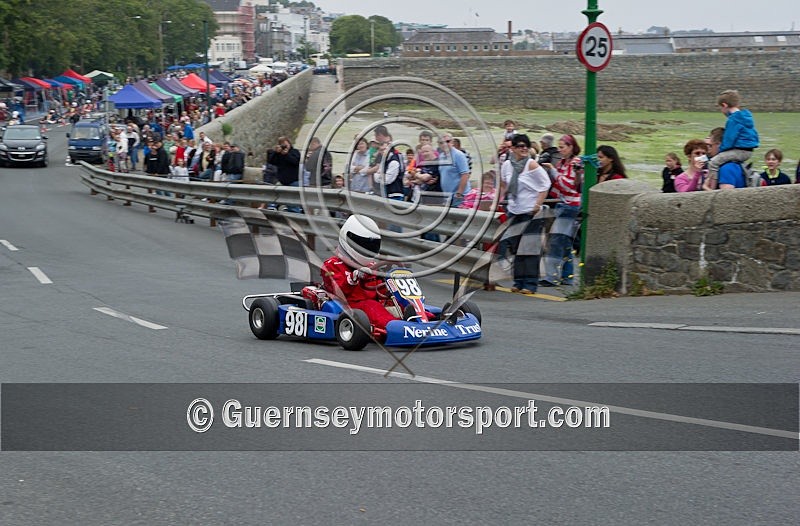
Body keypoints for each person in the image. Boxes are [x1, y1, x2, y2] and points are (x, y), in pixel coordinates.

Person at [320, 215, 396, 334]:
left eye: (371, 246)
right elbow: (337, 290)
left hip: (373, 303)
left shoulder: (372, 265)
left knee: (398, 301)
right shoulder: (332, 265)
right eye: (363, 245)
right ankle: (396, 328)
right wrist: (353, 277)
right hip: (351, 306)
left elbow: (380, 291)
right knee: (371, 306)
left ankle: (420, 319)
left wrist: (388, 284)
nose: (367, 249)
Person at [499, 135, 551, 294]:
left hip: (530, 212)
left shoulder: (532, 165)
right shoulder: (507, 165)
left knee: (529, 248)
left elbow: (545, 184)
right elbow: (503, 183)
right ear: (512, 148)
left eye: (526, 146)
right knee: (516, 248)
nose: (524, 149)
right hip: (514, 210)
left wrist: (537, 204)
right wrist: (500, 199)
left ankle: (530, 283)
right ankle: (518, 281)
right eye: (520, 146)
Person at [540, 134, 583, 287]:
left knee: (557, 241)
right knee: (565, 243)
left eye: (562, 147)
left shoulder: (575, 163)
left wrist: (552, 170)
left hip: (570, 205)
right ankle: (567, 276)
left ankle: (552, 276)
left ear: (571, 147)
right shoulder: (563, 162)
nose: (559, 150)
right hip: (564, 203)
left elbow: (568, 185)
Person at [703, 89, 759, 191]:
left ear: (724, 105)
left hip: (739, 151)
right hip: (748, 150)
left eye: (720, 107)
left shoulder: (733, 120)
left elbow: (729, 139)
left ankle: (711, 188)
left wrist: (721, 151)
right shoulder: (746, 117)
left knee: (713, 163)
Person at [437, 133, 471, 206]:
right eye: (441, 142)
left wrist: (459, 193)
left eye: (447, 141)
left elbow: (465, 174)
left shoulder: (458, 155)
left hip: (459, 197)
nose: (445, 144)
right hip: (447, 196)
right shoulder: (441, 156)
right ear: (439, 145)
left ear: (452, 142)